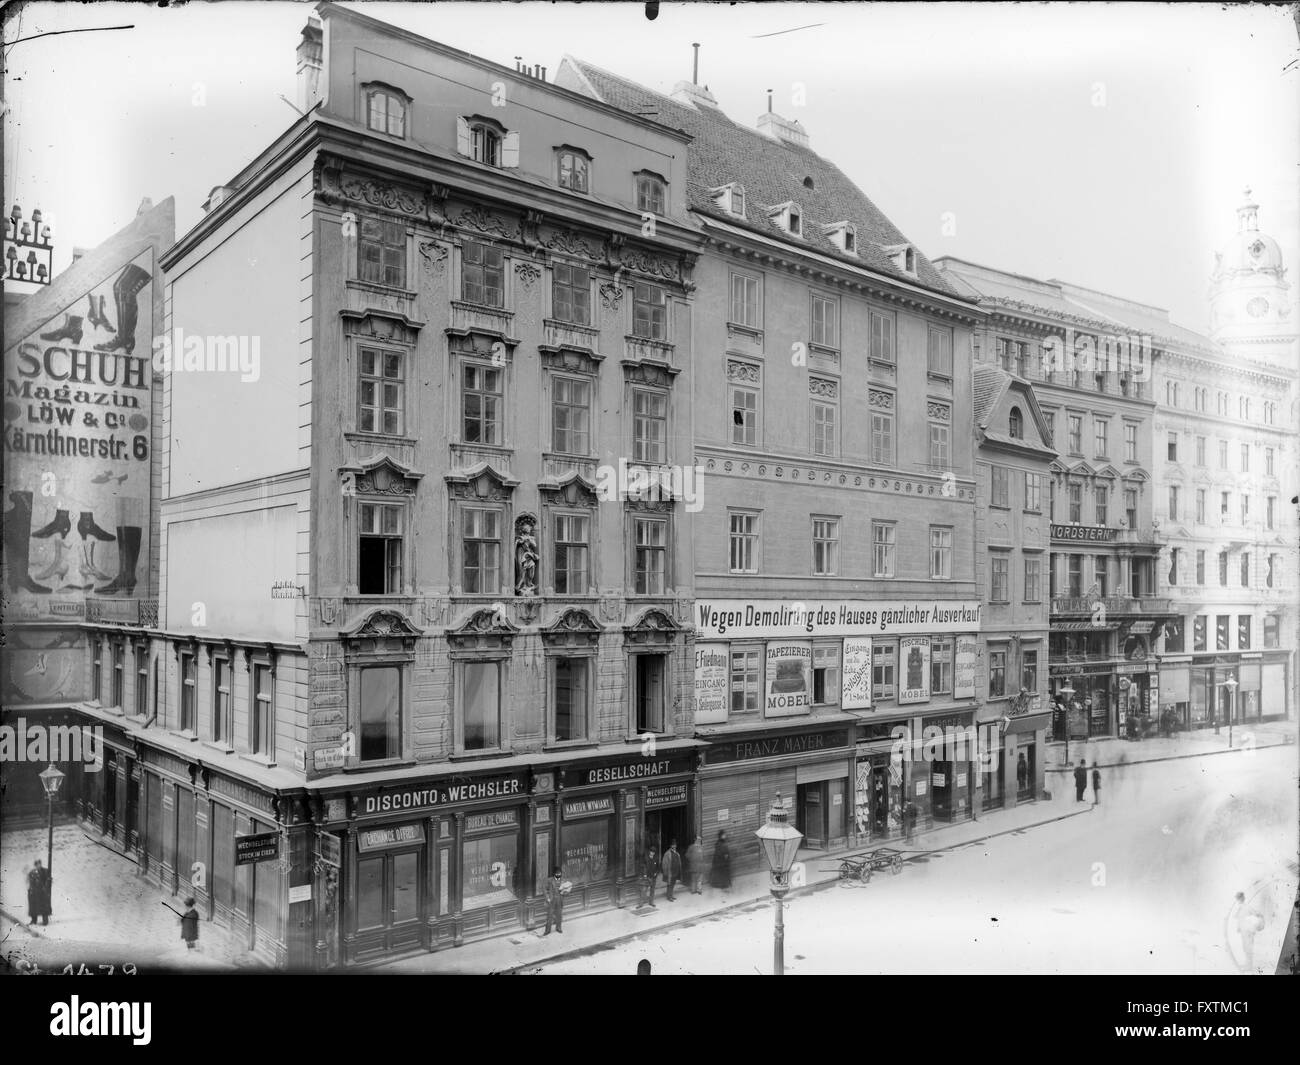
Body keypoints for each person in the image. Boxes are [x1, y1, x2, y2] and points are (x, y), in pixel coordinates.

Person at [26, 859, 51, 926]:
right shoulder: (32, 872)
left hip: (42, 893)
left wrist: (46, 887)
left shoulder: (45, 871)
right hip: (34, 893)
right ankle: (34, 920)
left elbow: (48, 881)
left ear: (40, 864)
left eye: (39, 864)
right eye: (37, 864)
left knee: (44, 907)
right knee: (33, 907)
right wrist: (30, 890)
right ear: (35, 865)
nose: (38, 865)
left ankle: (45, 921)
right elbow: (29, 882)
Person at [543, 866, 565, 935]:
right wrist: (547, 898)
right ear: (554, 873)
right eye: (557, 873)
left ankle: (558, 928)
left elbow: (566, 890)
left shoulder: (563, 880)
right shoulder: (550, 880)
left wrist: (564, 892)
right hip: (552, 900)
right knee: (550, 915)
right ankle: (547, 930)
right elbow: (544, 889)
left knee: (559, 914)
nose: (558, 875)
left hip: (559, 899)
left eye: (559, 873)